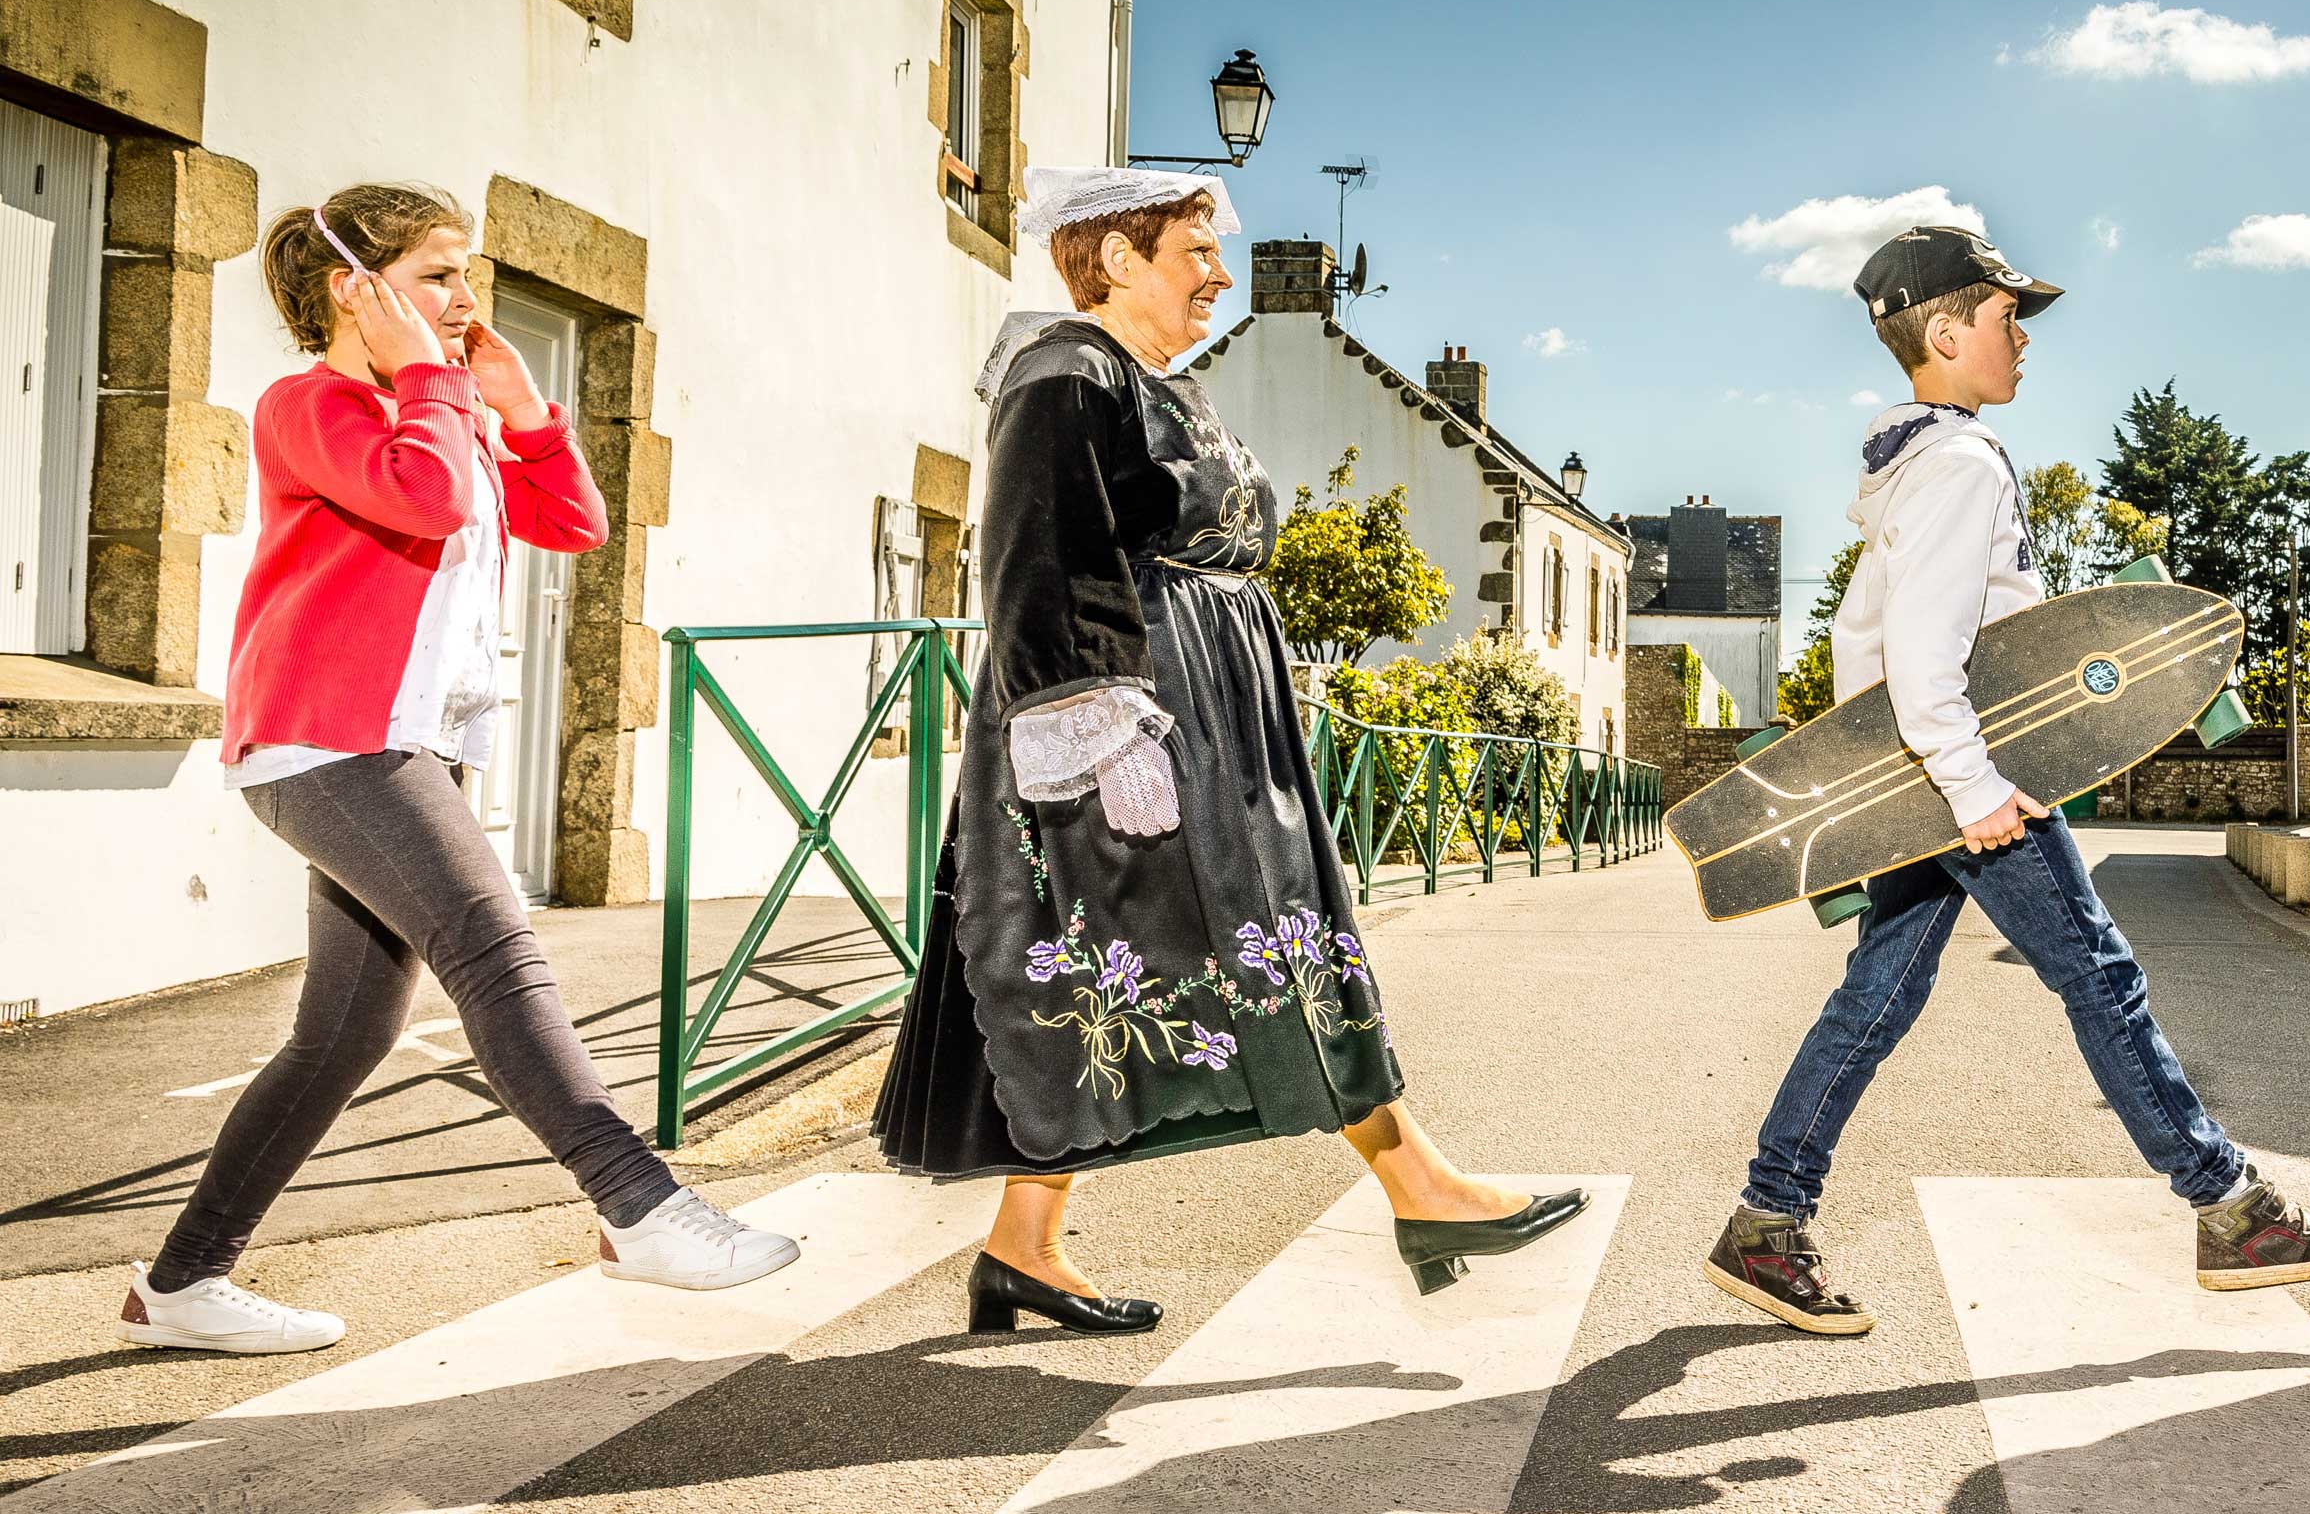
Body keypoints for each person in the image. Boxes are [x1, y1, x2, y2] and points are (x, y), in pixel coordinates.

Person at [874, 166, 1581, 1332]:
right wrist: (1102, 730)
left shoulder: (1141, 379)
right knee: (1265, 940)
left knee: (1121, 970)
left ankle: (1022, 1246)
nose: (1218, 270)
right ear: (1114, 258)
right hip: (1143, 721)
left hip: (1208, 712)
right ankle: (1421, 1186)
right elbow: (1035, 557)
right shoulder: (1066, 370)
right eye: (1193, 248)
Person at [121, 185, 801, 1357]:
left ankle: (182, 1284)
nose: (464, 298)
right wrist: (434, 380)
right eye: (439, 275)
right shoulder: (307, 404)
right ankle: (640, 1206)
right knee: (493, 946)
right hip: (328, 737)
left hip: (401, 740)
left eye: (463, 273)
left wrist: (523, 407)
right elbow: (423, 497)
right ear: (358, 287)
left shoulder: (442, 410)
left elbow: (574, 522)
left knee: (343, 1036)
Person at [1701, 224, 2310, 1336]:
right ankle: (2232, 1208)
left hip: (1932, 780)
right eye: (2011, 318)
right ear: (1951, 329)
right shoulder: (1961, 466)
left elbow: (1869, 647)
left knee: (1878, 997)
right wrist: (1974, 792)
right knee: (2100, 976)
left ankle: (1767, 1222)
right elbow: (1923, 665)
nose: (2025, 340)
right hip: (1978, 779)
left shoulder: (1918, 462)